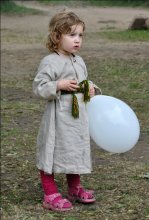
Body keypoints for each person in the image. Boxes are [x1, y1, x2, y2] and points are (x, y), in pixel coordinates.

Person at [33, 11, 101, 211]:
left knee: (74, 149)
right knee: (52, 150)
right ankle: (50, 193)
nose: (77, 40)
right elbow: (39, 86)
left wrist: (91, 88)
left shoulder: (79, 61)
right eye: (71, 35)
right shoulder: (50, 61)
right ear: (57, 36)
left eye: (80, 35)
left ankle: (74, 188)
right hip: (58, 117)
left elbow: (83, 82)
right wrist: (57, 84)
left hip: (77, 117)